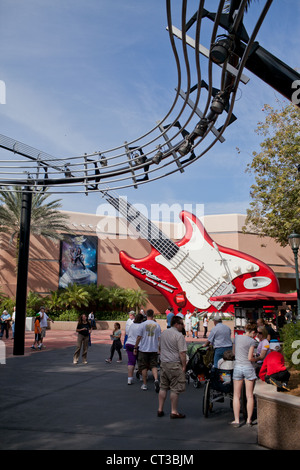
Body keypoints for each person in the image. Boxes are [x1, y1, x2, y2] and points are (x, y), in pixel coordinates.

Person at [157, 316, 187, 419]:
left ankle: (160, 409)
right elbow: (182, 353)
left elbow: (159, 347)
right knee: (175, 388)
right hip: (174, 364)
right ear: (176, 324)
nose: (183, 326)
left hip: (164, 363)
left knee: (163, 387)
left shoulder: (164, 333)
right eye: (182, 324)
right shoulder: (179, 336)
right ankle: (174, 411)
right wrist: (184, 366)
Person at [230, 322, 258, 427]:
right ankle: (249, 420)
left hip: (237, 366)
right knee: (249, 396)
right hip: (248, 368)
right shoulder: (252, 341)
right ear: (253, 332)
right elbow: (250, 358)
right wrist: (257, 358)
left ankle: (237, 420)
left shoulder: (237, 338)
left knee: (236, 396)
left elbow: (233, 353)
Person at [134, 309, 161, 391]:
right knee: (154, 365)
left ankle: (145, 384)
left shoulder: (142, 325)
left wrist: (135, 347)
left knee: (144, 367)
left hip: (144, 349)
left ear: (146, 315)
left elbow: (139, 337)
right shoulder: (157, 325)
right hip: (153, 348)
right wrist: (159, 348)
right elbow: (159, 338)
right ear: (153, 315)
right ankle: (156, 379)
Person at [125, 313, 144, 384]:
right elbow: (140, 337)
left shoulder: (132, 325)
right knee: (140, 361)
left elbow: (128, 333)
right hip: (138, 345)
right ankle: (141, 376)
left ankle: (129, 379)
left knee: (131, 362)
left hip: (129, 343)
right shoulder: (142, 326)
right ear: (142, 319)